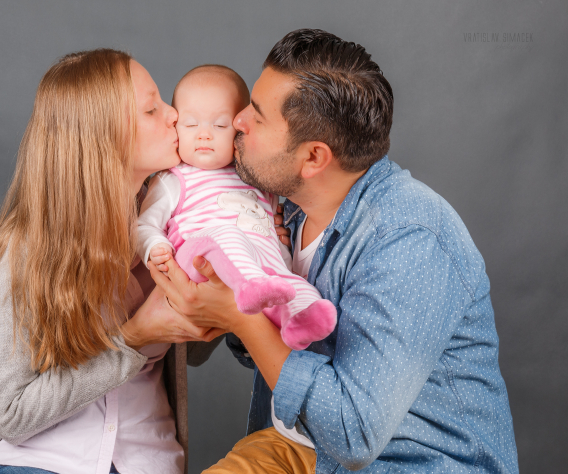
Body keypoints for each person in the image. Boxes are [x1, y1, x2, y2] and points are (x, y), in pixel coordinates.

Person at [150, 29, 520, 473]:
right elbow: (254, 342)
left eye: (258, 117)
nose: (238, 120)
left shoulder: (410, 238)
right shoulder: (283, 209)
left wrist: (242, 318)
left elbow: (352, 436)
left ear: (313, 158)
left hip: (403, 462)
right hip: (295, 445)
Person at [0, 49, 221, 474]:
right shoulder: (27, 251)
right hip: (35, 461)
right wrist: (133, 337)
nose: (174, 114)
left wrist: (237, 278)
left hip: (144, 460)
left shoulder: (175, 223)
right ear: (104, 138)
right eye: (152, 109)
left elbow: (192, 348)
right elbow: (12, 413)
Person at [137, 64, 336, 351]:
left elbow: (268, 231)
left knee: (293, 283)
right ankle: (252, 285)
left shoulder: (257, 180)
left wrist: (282, 256)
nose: (204, 135)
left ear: (239, 131)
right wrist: (154, 246)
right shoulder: (174, 179)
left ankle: (301, 321)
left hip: (256, 266)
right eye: (190, 125)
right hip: (199, 261)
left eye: (219, 125)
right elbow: (144, 224)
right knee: (227, 237)